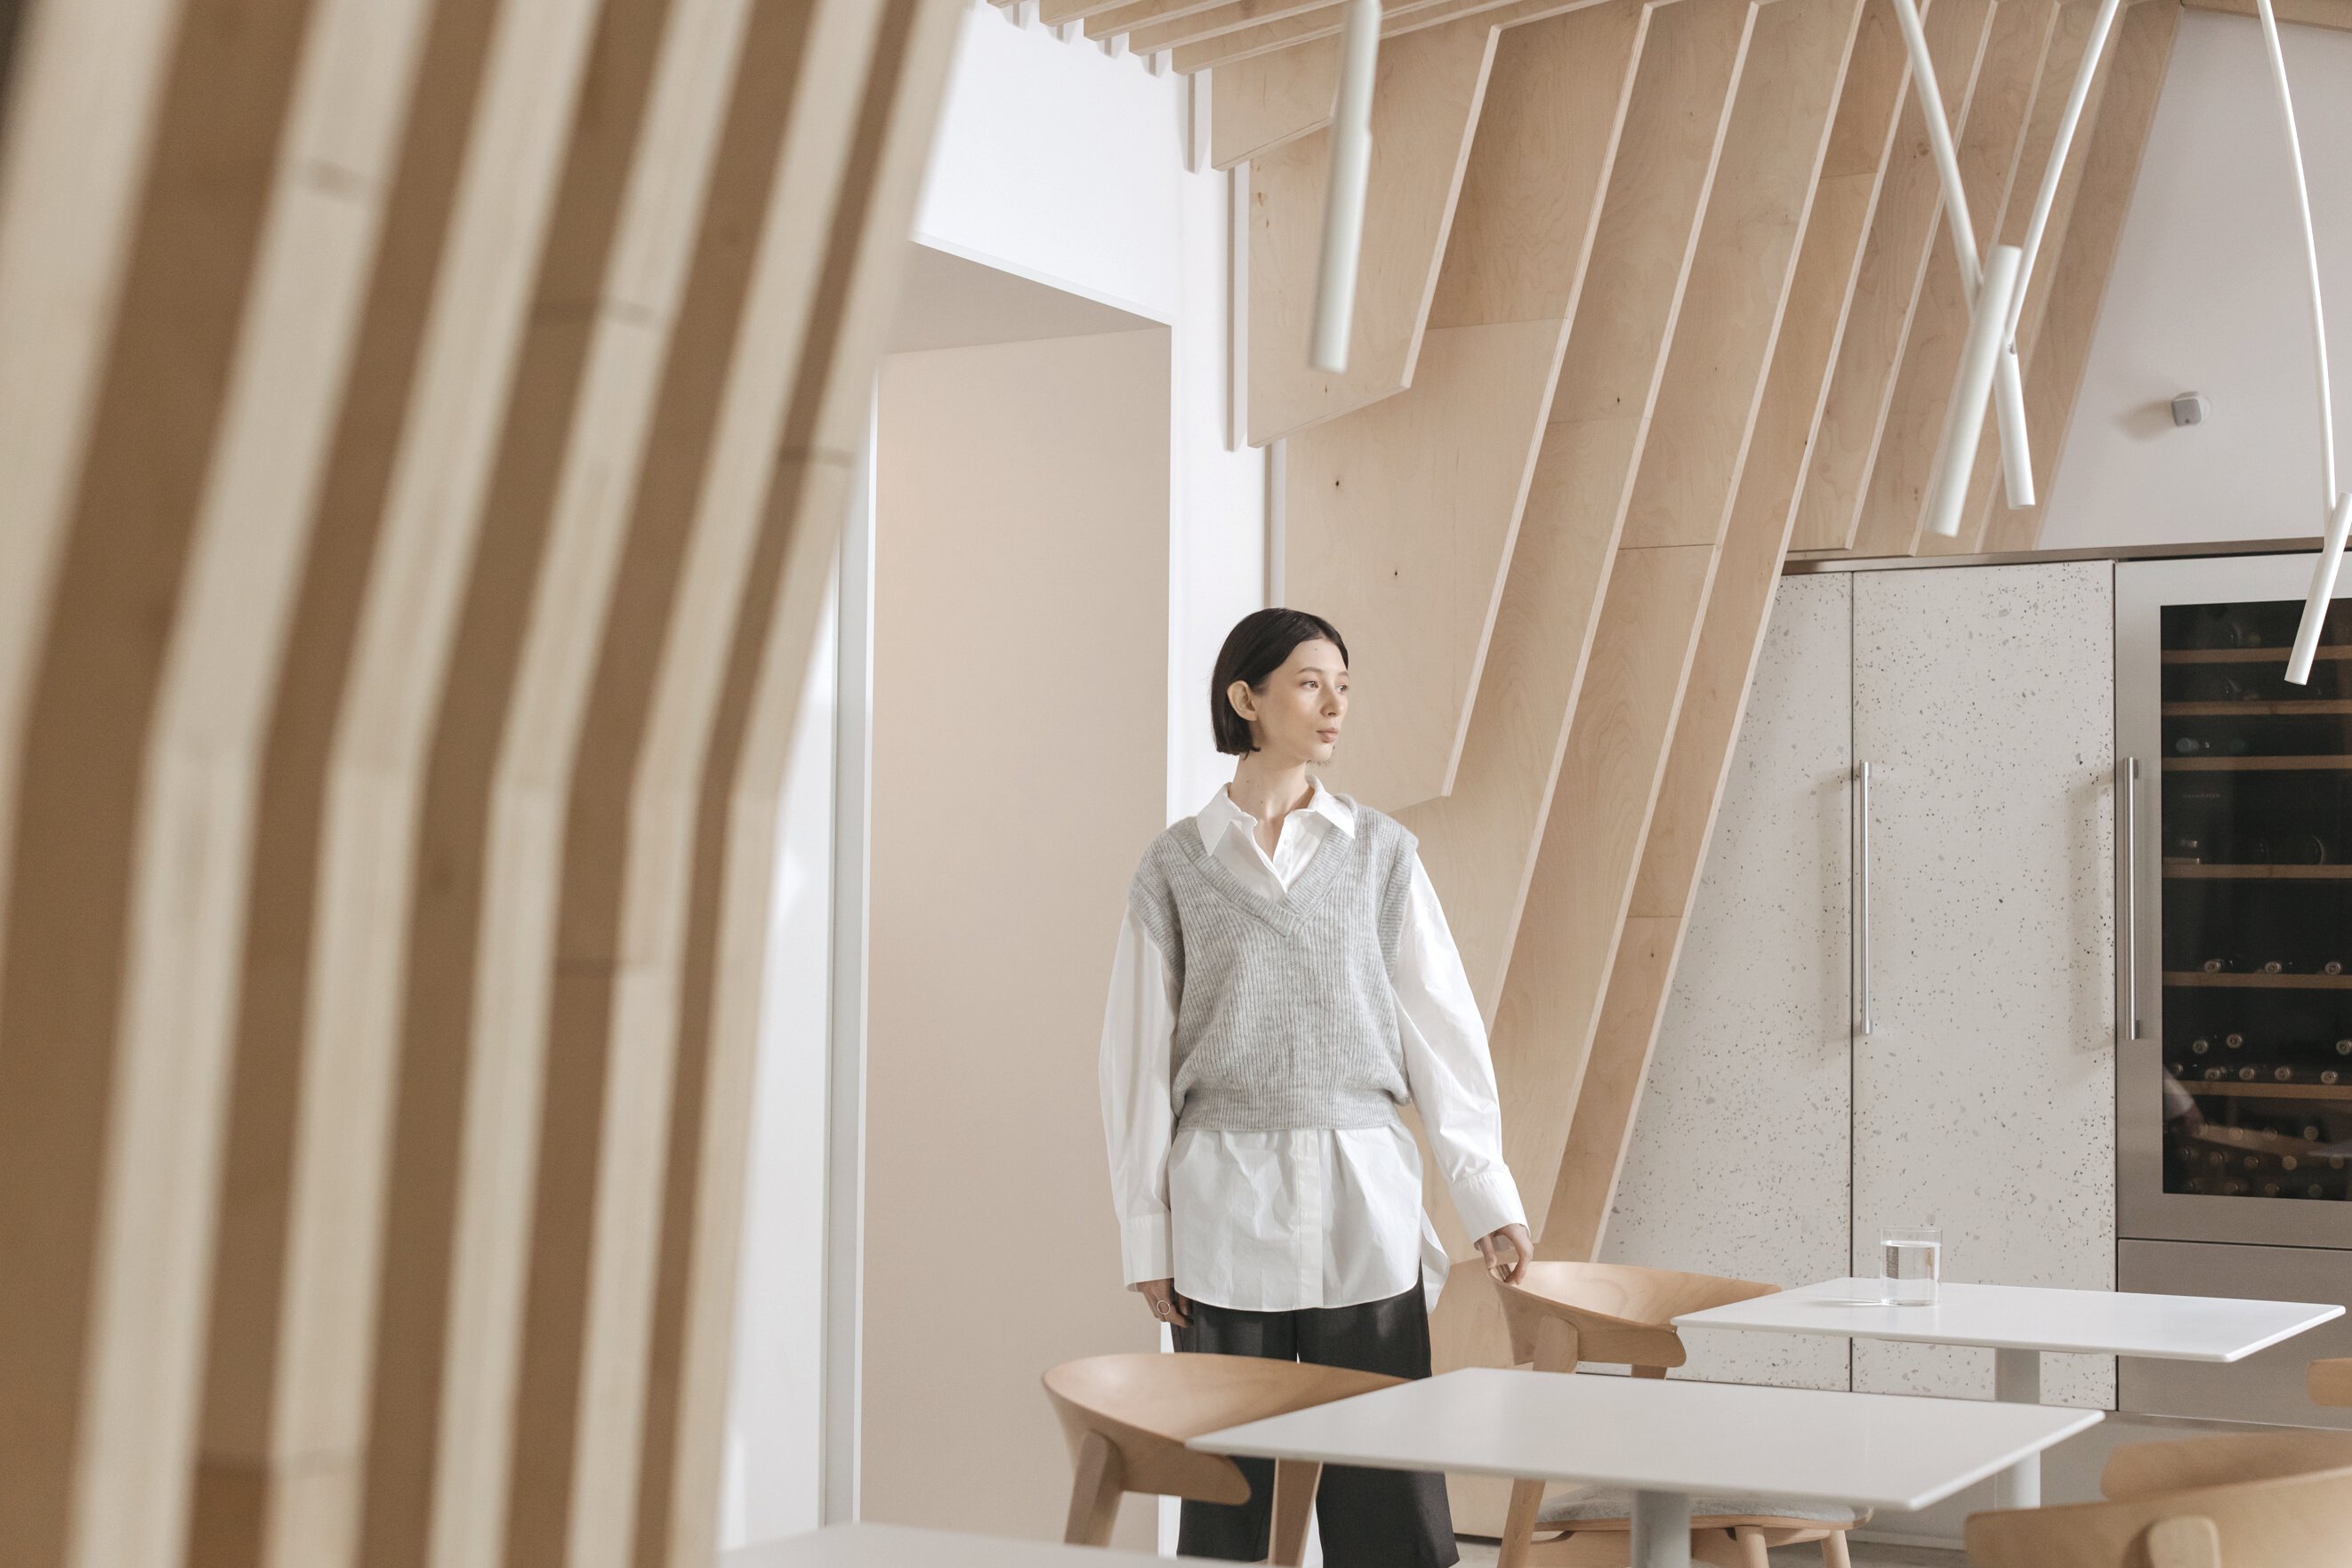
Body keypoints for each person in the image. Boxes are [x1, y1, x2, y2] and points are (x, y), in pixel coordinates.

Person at [1098, 607, 1532, 1567]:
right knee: (1227, 1494)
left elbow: (1442, 1034)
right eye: (1308, 681)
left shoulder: (1381, 857)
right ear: (1244, 697)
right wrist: (1145, 1231)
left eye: (1343, 682)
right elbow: (1133, 1063)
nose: (1335, 702)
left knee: (1390, 1493)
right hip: (1223, 1211)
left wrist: (1484, 1193)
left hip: (1361, 1204)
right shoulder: (1174, 867)